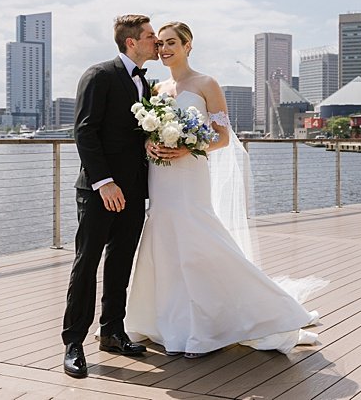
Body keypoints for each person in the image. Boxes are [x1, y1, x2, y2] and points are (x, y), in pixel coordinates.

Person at [124, 21, 325, 358]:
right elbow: (145, 131)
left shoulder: (206, 83)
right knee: (165, 240)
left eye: (172, 42)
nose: (164, 49)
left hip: (190, 174)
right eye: (159, 44)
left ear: (188, 45)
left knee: (199, 240)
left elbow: (222, 137)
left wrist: (188, 147)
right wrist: (150, 145)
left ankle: (244, 313)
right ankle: (167, 320)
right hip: (161, 178)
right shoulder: (156, 89)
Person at [62, 14, 158, 378]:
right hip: (100, 190)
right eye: (150, 36)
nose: (156, 42)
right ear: (131, 42)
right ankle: (73, 342)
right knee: (87, 263)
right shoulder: (99, 75)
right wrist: (105, 182)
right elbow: (84, 132)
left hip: (134, 190)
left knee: (121, 262)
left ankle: (112, 333)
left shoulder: (145, 85)